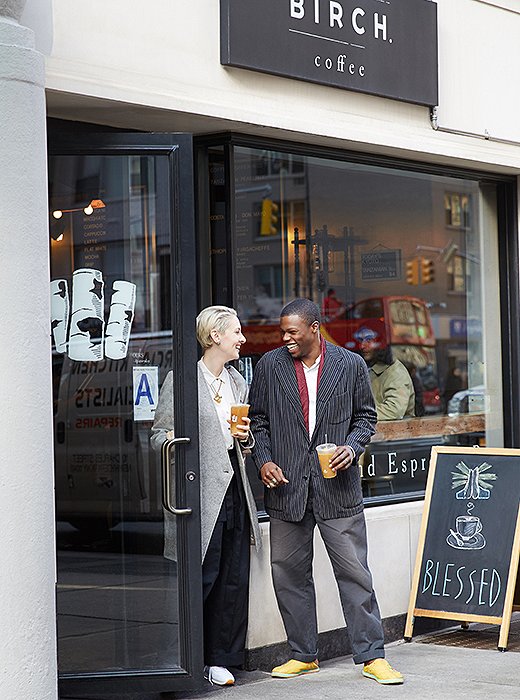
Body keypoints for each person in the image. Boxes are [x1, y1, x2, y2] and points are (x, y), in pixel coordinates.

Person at [248, 298, 403, 685]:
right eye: (282, 332)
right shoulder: (270, 366)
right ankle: (303, 654)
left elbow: (366, 417)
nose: (285, 338)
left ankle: (372, 656)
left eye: (292, 332)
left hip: (338, 487)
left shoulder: (350, 365)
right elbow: (259, 421)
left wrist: (352, 447)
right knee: (288, 576)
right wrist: (263, 461)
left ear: (315, 328)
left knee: (354, 573)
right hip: (287, 489)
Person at [151, 306, 261, 687]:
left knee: (234, 577)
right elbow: (159, 434)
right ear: (215, 336)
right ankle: (190, 659)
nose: (242, 339)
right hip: (199, 494)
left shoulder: (238, 383)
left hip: (235, 489)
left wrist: (245, 439)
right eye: (236, 332)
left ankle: (220, 659)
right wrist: (183, 451)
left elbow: (240, 442)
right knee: (205, 575)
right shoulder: (181, 381)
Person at [358, 324, 415, 420]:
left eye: (369, 340)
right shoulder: (367, 368)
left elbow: (394, 410)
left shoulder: (395, 372)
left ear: (381, 343)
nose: (362, 346)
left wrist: (359, 416)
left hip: (396, 432)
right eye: (360, 340)